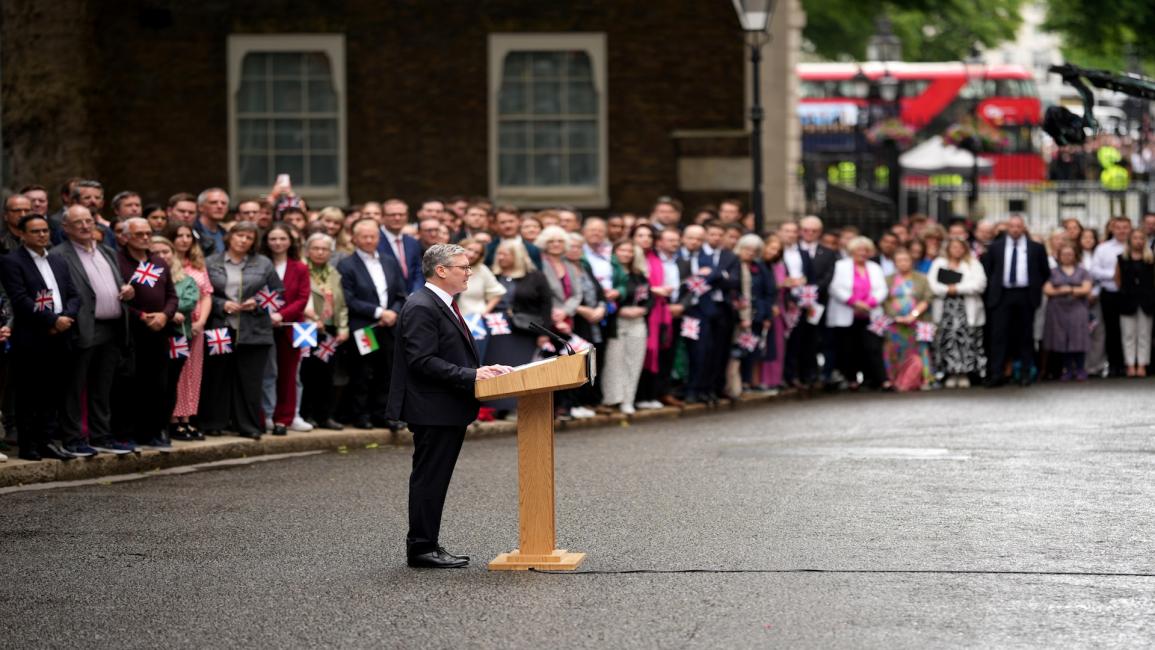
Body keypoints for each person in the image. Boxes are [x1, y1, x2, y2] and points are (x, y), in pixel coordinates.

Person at [385, 243, 512, 569]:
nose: (469, 272)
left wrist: (484, 370)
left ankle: (427, 544)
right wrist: (471, 374)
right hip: (432, 408)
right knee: (430, 478)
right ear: (440, 270)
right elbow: (422, 361)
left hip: (445, 406)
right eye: (463, 267)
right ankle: (422, 548)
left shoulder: (440, 303)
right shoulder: (422, 306)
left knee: (435, 478)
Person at [51, 205, 136, 455]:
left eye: (89, 220)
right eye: (79, 222)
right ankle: (73, 437)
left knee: (103, 386)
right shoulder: (59, 255)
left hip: (113, 327)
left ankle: (101, 435)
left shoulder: (108, 251)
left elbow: (117, 283)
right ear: (65, 228)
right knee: (75, 386)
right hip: (83, 328)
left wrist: (127, 291)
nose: (86, 226)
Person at [0, 215, 81, 460]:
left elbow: (73, 294)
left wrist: (65, 317)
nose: (42, 235)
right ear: (23, 235)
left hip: (61, 335)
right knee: (29, 394)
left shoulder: (58, 260)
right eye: (35, 231)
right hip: (32, 337)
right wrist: (51, 320)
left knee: (53, 392)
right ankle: (28, 445)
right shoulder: (12, 261)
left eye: (45, 230)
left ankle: (46, 441)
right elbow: (20, 298)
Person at [200, 222, 283, 439]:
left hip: (255, 330)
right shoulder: (211, 262)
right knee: (217, 377)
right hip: (221, 326)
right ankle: (213, 423)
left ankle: (247, 426)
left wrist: (257, 302)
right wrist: (221, 305)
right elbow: (204, 293)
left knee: (250, 381)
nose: (243, 240)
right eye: (239, 235)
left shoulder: (263, 263)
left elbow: (279, 293)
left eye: (249, 237)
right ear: (229, 237)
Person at [337, 218, 407, 429]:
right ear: (354, 239)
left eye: (373, 236)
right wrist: (379, 312)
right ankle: (361, 415)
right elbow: (348, 298)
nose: (369, 240)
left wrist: (393, 312)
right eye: (364, 237)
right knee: (363, 372)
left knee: (387, 371)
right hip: (364, 327)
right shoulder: (346, 264)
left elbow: (401, 292)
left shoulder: (389, 261)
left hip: (390, 326)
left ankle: (383, 415)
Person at [114, 218, 178, 448]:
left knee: (157, 385)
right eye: (139, 234)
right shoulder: (117, 261)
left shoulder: (159, 262)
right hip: (131, 332)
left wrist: (164, 315)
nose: (145, 238)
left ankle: (151, 432)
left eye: (148, 233)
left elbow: (172, 295)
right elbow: (115, 297)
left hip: (159, 331)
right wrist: (141, 316)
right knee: (130, 385)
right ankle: (126, 433)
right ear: (125, 236)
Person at [484, 240, 552, 418]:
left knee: (520, 368)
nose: (500, 257)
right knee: (499, 367)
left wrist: (545, 333)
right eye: (499, 254)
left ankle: (517, 407)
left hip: (524, 332)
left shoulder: (535, 276)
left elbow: (546, 305)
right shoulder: (492, 275)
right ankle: (496, 407)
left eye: (505, 254)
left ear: (517, 255)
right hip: (497, 330)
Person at [982, 215, 1050, 387]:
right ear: (1007, 228)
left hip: (1026, 295)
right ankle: (997, 373)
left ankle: (1025, 373)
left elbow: (1045, 272)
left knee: (1025, 336)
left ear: (1023, 228)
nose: (1015, 229)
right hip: (1002, 296)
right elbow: (988, 270)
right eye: (1011, 226)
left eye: (1018, 226)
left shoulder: (1036, 248)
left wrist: (1035, 286)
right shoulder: (995, 247)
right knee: (998, 336)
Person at [260, 223, 314, 436]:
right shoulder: (261, 264)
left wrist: (281, 315)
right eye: (273, 238)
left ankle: (285, 417)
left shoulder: (299, 267)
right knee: (267, 372)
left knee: (290, 373)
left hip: (293, 326)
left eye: (282, 238)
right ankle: (266, 414)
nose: (278, 243)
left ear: (290, 242)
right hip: (263, 326)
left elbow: (302, 298)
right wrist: (268, 316)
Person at [165, 222, 213, 440]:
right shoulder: (166, 262)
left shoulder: (197, 264)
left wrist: (201, 321)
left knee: (194, 372)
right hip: (175, 326)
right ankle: (173, 418)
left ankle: (188, 417)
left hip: (195, 326)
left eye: (188, 236)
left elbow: (206, 294)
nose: (184, 240)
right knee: (178, 373)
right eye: (179, 236)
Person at [300, 233, 349, 430]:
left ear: (331, 252)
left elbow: (342, 303)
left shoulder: (333, 273)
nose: (320, 253)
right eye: (316, 248)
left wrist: (343, 327)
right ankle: (306, 414)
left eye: (325, 249)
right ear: (308, 250)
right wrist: (310, 318)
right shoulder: (302, 270)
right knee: (306, 372)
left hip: (329, 328)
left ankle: (324, 416)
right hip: (307, 327)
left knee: (327, 373)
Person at [781, 216, 837, 388]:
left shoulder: (826, 253)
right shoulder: (790, 251)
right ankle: (792, 374)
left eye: (814, 231)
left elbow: (822, 277)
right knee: (793, 340)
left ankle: (810, 374)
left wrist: (810, 294)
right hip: (790, 301)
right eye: (805, 230)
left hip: (814, 303)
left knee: (812, 340)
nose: (809, 234)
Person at [148, 236, 195, 440]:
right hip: (151, 335)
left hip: (178, 337)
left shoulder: (186, 279)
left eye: (165, 252)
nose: (161, 256)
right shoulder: (146, 275)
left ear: (173, 254)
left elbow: (189, 302)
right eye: (156, 252)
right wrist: (169, 312)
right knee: (153, 382)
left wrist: (167, 310)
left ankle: (164, 426)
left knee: (170, 382)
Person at [827, 237, 888, 390]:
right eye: (859, 250)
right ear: (851, 251)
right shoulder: (840, 266)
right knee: (848, 348)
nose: (862, 253)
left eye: (866, 250)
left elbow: (882, 289)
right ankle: (851, 379)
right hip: (847, 312)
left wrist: (869, 303)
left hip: (870, 313)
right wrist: (854, 302)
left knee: (872, 347)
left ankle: (877, 379)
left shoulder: (874, 267)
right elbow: (835, 287)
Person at [928, 237, 988, 388]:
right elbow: (932, 285)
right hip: (945, 309)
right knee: (946, 340)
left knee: (967, 341)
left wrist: (957, 288)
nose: (957, 250)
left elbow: (980, 284)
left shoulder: (972, 263)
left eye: (960, 247)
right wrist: (948, 289)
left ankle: (964, 373)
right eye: (953, 247)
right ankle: (950, 373)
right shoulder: (939, 263)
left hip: (966, 309)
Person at [600, 240, 651, 415]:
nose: (626, 254)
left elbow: (648, 298)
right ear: (614, 251)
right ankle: (613, 398)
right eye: (622, 250)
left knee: (634, 362)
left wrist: (643, 309)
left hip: (637, 322)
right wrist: (621, 310)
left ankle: (628, 400)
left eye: (630, 251)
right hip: (617, 323)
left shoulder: (639, 276)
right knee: (614, 361)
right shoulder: (609, 273)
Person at [882, 248, 933, 391]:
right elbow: (885, 300)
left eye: (906, 260)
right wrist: (895, 317)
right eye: (899, 261)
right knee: (894, 351)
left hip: (917, 322)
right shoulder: (888, 280)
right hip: (894, 323)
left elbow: (927, 298)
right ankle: (895, 380)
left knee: (919, 350)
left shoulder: (921, 278)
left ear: (912, 262)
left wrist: (913, 315)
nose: (903, 263)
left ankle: (923, 379)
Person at [732, 234, 776, 395]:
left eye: (754, 250)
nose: (750, 253)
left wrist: (766, 316)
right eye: (747, 249)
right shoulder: (733, 264)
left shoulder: (760, 267)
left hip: (757, 313)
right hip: (739, 315)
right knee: (738, 350)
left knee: (753, 350)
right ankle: (737, 383)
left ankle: (749, 380)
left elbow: (768, 292)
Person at [1043, 242, 1094, 380]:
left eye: (1070, 254)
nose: (1067, 256)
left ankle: (1080, 368)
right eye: (1064, 254)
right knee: (1061, 337)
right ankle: (1067, 369)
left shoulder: (1083, 271)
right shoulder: (1052, 272)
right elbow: (1047, 289)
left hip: (1078, 309)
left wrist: (1067, 289)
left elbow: (1086, 289)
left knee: (1078, 337)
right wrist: (1074, 289)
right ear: (1059, 256)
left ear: (1075, 255)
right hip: (1058, 310)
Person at [1090, 217, 1131, 377]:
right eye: (1118, 227)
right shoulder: (1103, 248)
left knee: (1128, 330)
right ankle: (1114, 365)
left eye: (1125, 227)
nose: (1122, 231)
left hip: (1130, 295)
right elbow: (1095, 270)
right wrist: (1115, 275)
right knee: (1111, 330)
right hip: (1109, 293)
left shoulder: (1134, 245)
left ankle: (1129, 363)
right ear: (1112, 229)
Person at [456, 237, 506, 361]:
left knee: (475, 361)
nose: (472, 254)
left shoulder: (482, 270)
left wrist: (484, 312)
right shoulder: (449, 267)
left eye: (477, 252)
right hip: (454, 320)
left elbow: (498, 292)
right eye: (470, 249)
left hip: (475, 323)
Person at [1114, 229, 1155, 377]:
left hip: (1146, 301)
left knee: (1144, 334)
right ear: (1130, 240)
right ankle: (1130, 364)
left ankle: (1142, 364)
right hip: (1127, 300)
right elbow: (1117, 279)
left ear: (1145, 241)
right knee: (1128, 334)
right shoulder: (1121, 258)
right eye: (1135, 238)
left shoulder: (1150, 259)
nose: (1138, 241)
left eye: (1141, 238)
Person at [760, 233, 790, 390]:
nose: (774, 253)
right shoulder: (760, 265)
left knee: (777, 346)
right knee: (765, 345)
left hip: (778, 309)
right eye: (772, 248)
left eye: (778, 250)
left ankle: (775, 379)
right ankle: (763, 379)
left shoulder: (778, 265)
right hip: (767, 307)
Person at [377, 199, 424, 293]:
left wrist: (415, 293)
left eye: (401, 214)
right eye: (392, 215)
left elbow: (418, 271)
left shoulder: (412, 242)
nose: (397, 218)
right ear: (382, 217)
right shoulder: (375, 241)